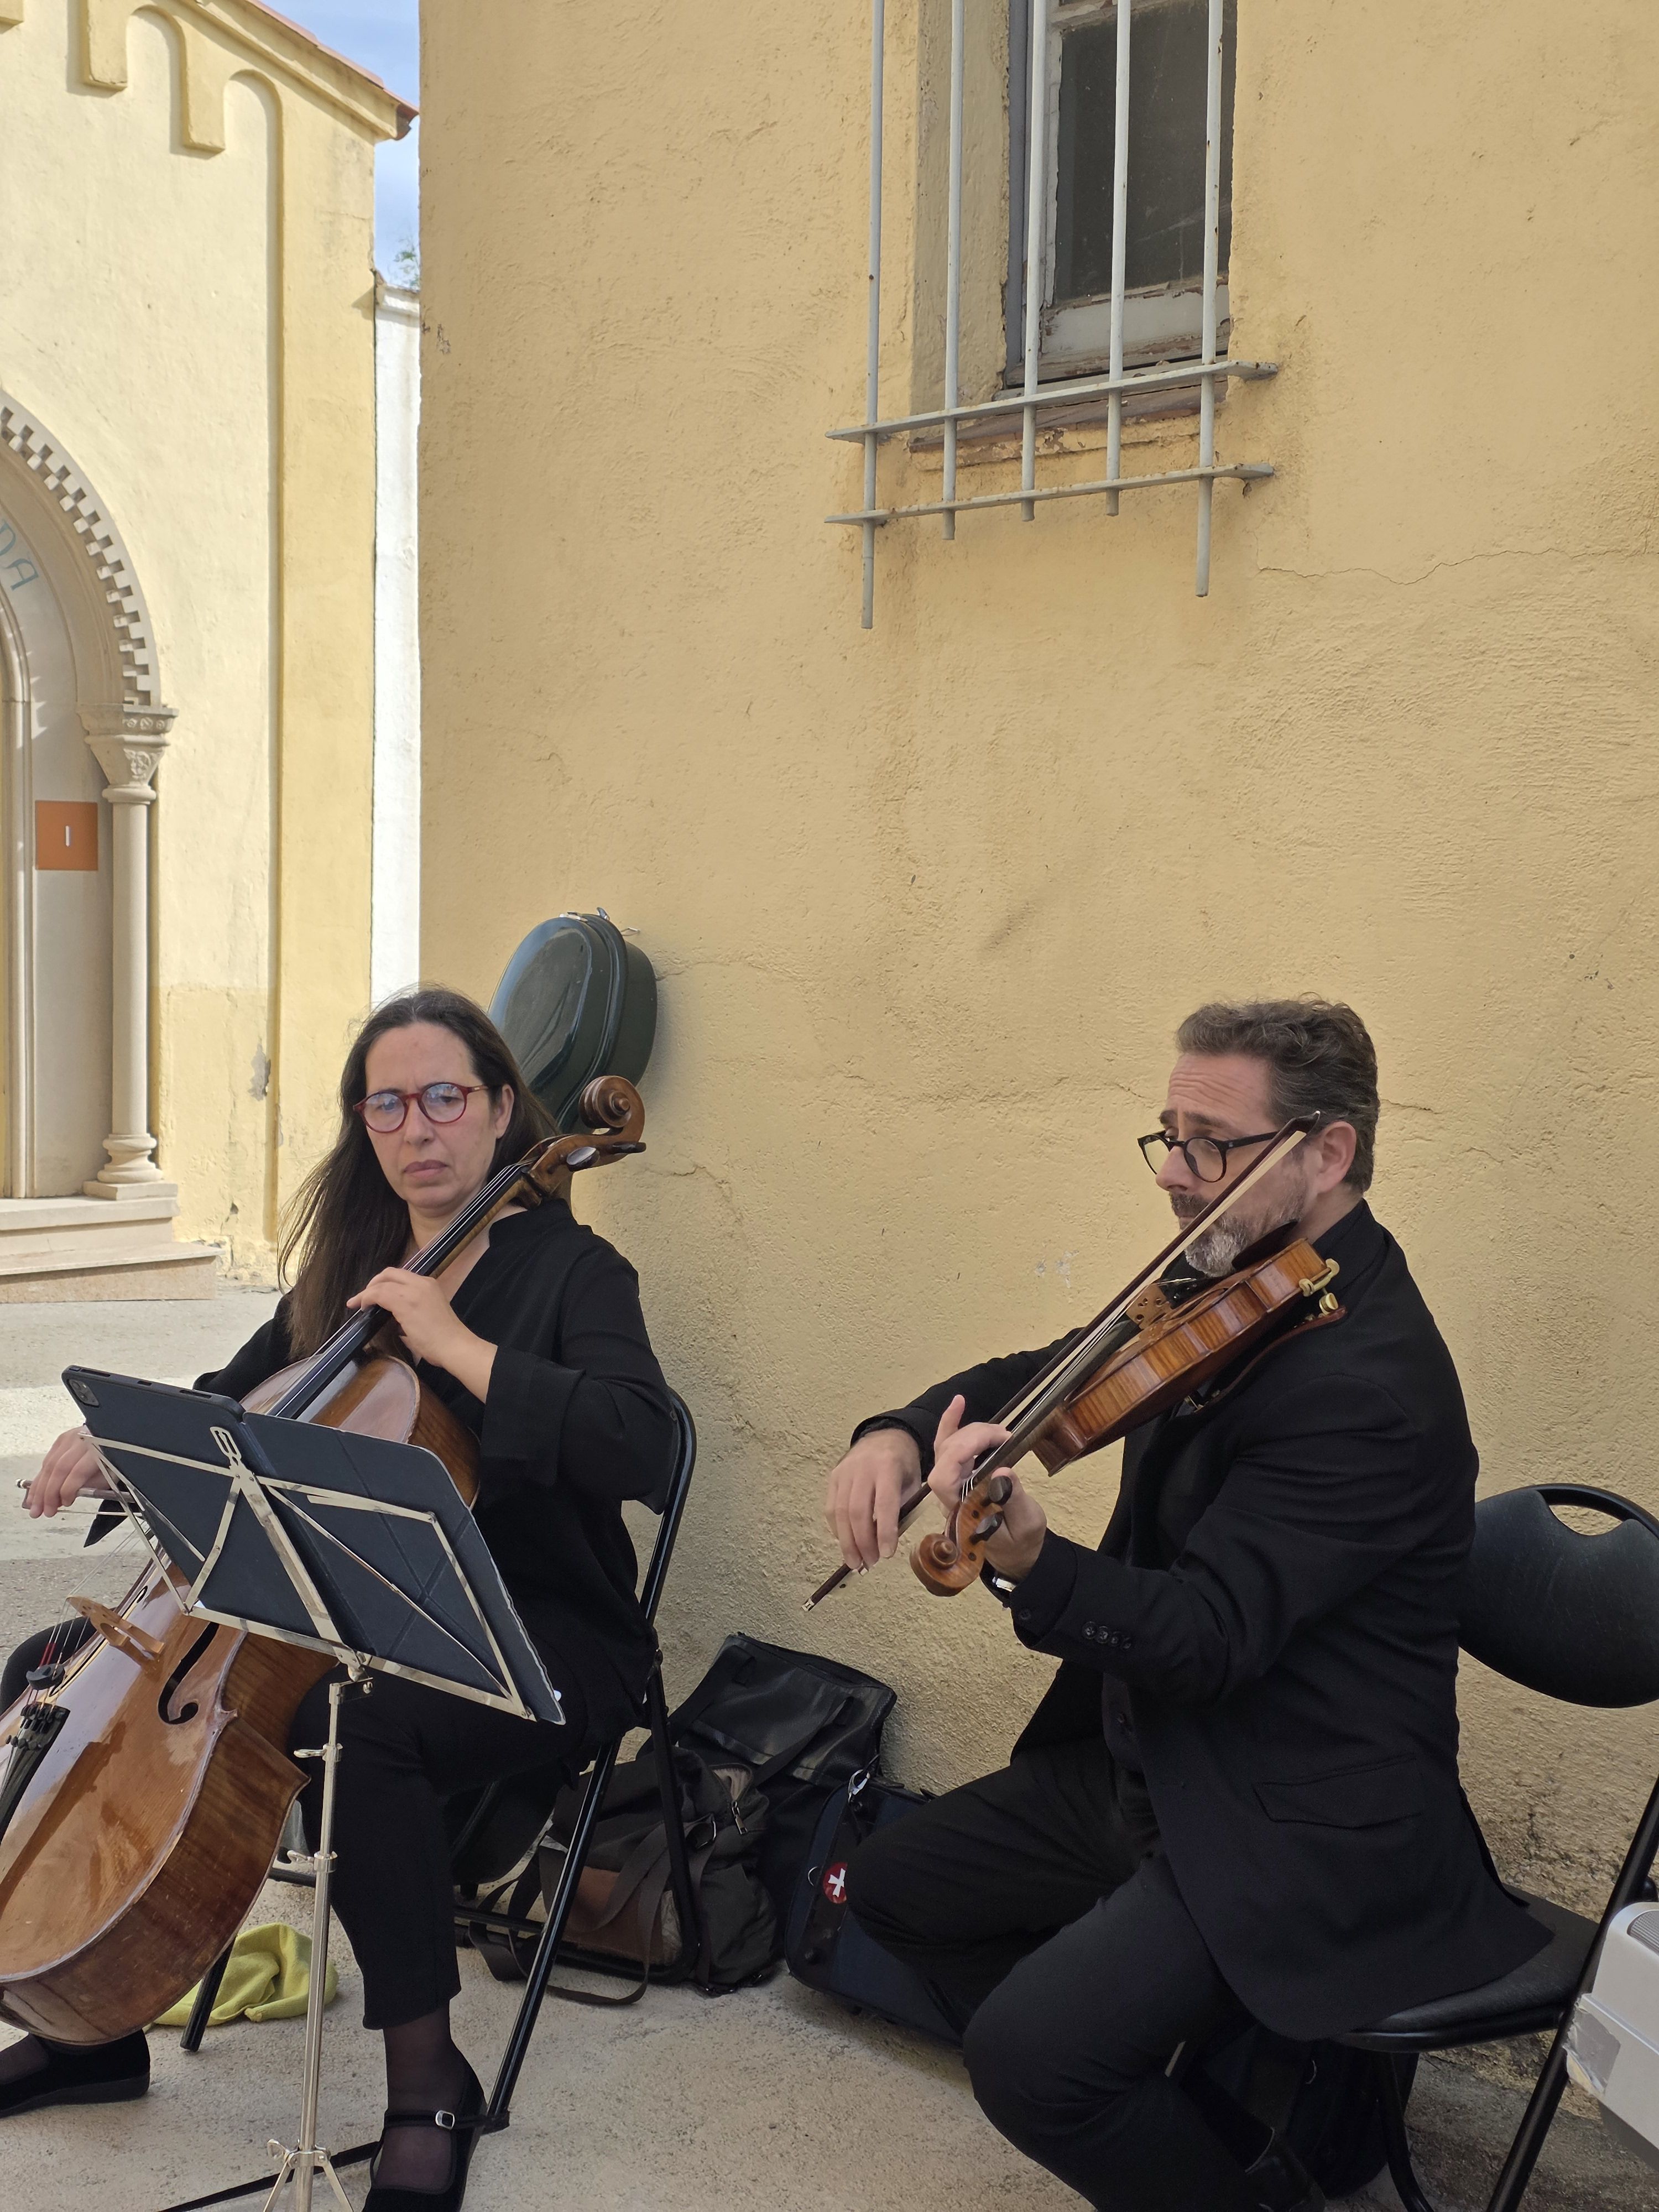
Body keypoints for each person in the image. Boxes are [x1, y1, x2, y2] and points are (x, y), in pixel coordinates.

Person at [822, 999, 1547, 2212]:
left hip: (1298, 1819)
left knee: (1027, 2060)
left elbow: (1209, 1633)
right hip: (1157, 1768)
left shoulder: (1371, 1381)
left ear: (1329, 1153)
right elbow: (1048, 1368)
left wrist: (1036, 1560)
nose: (1174, 1171)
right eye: (1165, 1133)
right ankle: (1212, 2123)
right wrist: (898, 1431)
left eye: (1212, 1142)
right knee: (893, 1890)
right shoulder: (1236, 1276)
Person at [2, 987, 675, 2212]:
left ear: (500, 1108)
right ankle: (94, 2023)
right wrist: (123, 1444)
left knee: (355, 1733)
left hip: (533, 1635)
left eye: (444, 1097)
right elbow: (234, 1395)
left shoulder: (573, 1271)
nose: (417, 1127)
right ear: (363, 1121)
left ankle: (428, 2078)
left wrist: (458, 1347)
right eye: (387, 1102)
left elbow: (643, 1446)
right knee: (45, 1672)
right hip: (341, 1616)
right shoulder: (356, 1270)